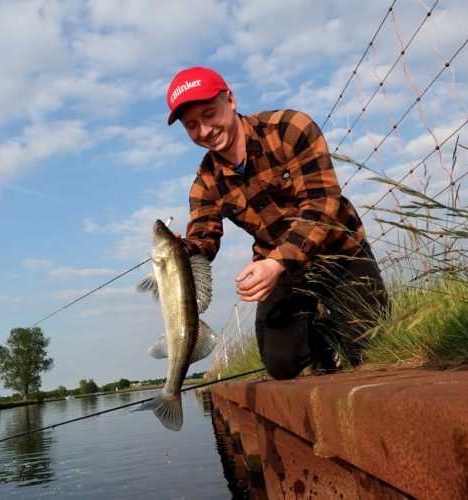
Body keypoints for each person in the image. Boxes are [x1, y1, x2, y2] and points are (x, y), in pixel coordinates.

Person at [166, 66, 388, 379]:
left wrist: (275, 263)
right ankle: (319, 336)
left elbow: (323, 204)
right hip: (281, 269)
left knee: (369, 350)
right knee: (281, 363)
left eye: (209, 114)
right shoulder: (204, 183)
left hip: (339, 251)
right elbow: (205, 239)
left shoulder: (290, 128)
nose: (205, 130)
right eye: (191, 125)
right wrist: (181, 250)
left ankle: (342, 329)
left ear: (230, 100)